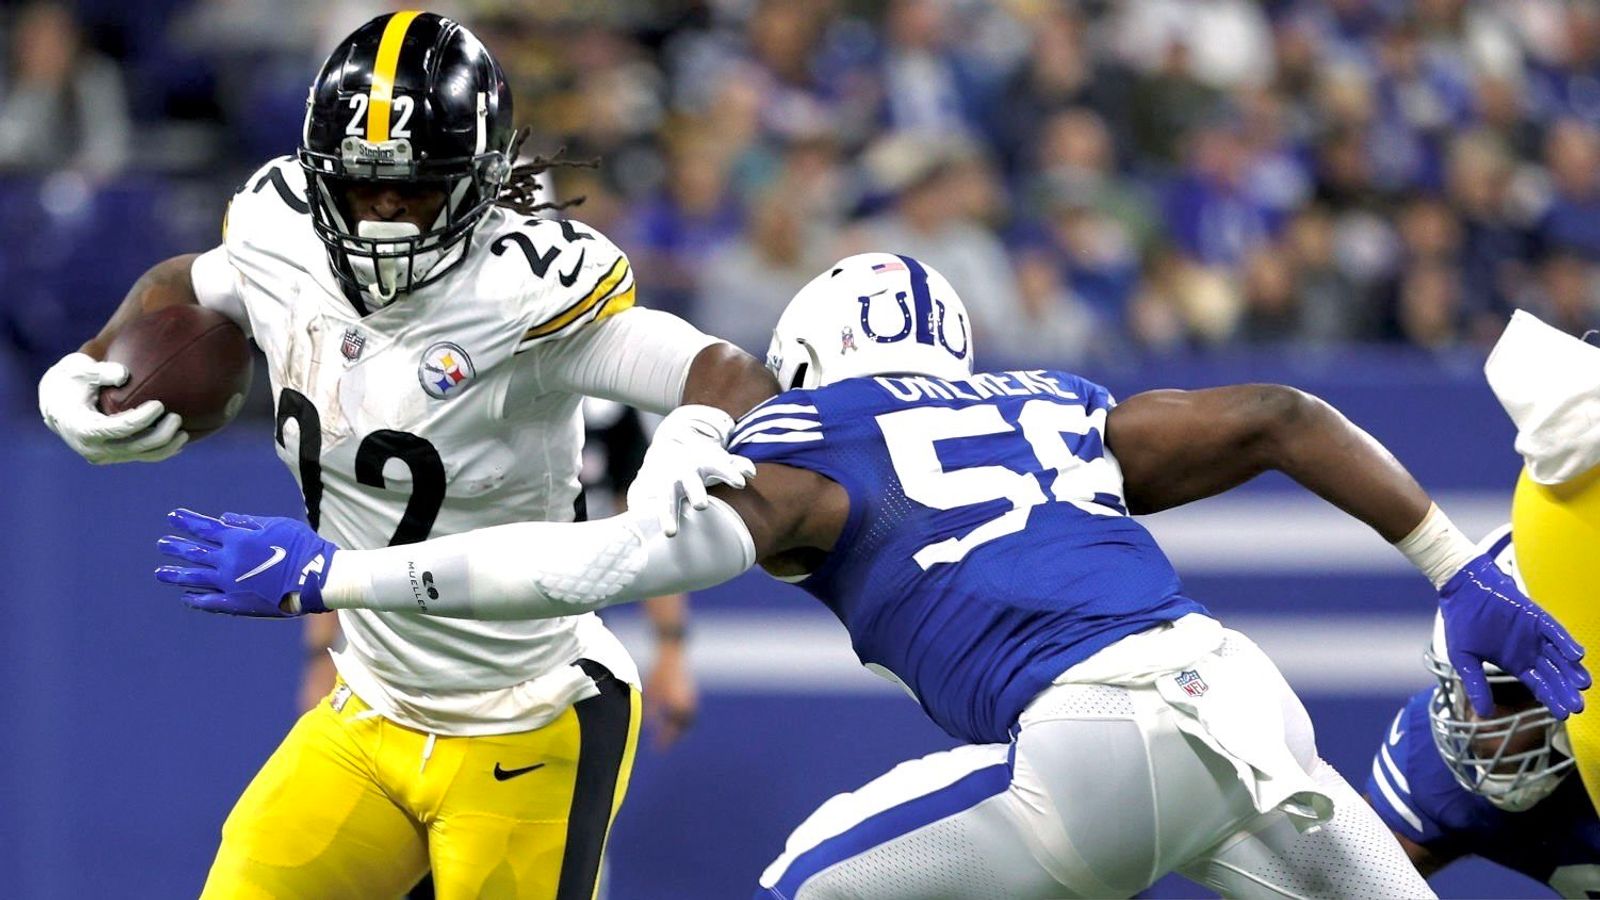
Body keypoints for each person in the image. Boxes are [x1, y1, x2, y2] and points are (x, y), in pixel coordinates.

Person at [156, 253, 1587, 899]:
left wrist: (348, 575)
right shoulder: (1049, 404)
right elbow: (1280, 415)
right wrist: (1456, 570)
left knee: (801, 880)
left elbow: (601, 557)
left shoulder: (805, 441)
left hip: (1094, 739)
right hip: (1247, 708)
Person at [40, 12, 774, 898]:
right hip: (371, 706)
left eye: (415, 191)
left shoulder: (524, 295)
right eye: (360, 188)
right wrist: (87, 362)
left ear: (483, 182)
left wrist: (694, 432)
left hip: (529, 714)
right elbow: (186, 284)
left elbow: (727, 372)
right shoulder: (282, 237)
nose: (384, 217)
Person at [1365, 525, 1598, 896]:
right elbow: (1338, 887)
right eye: (1464, 682)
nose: (1474, 720)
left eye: (1507, 694)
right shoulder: (1433, 765)